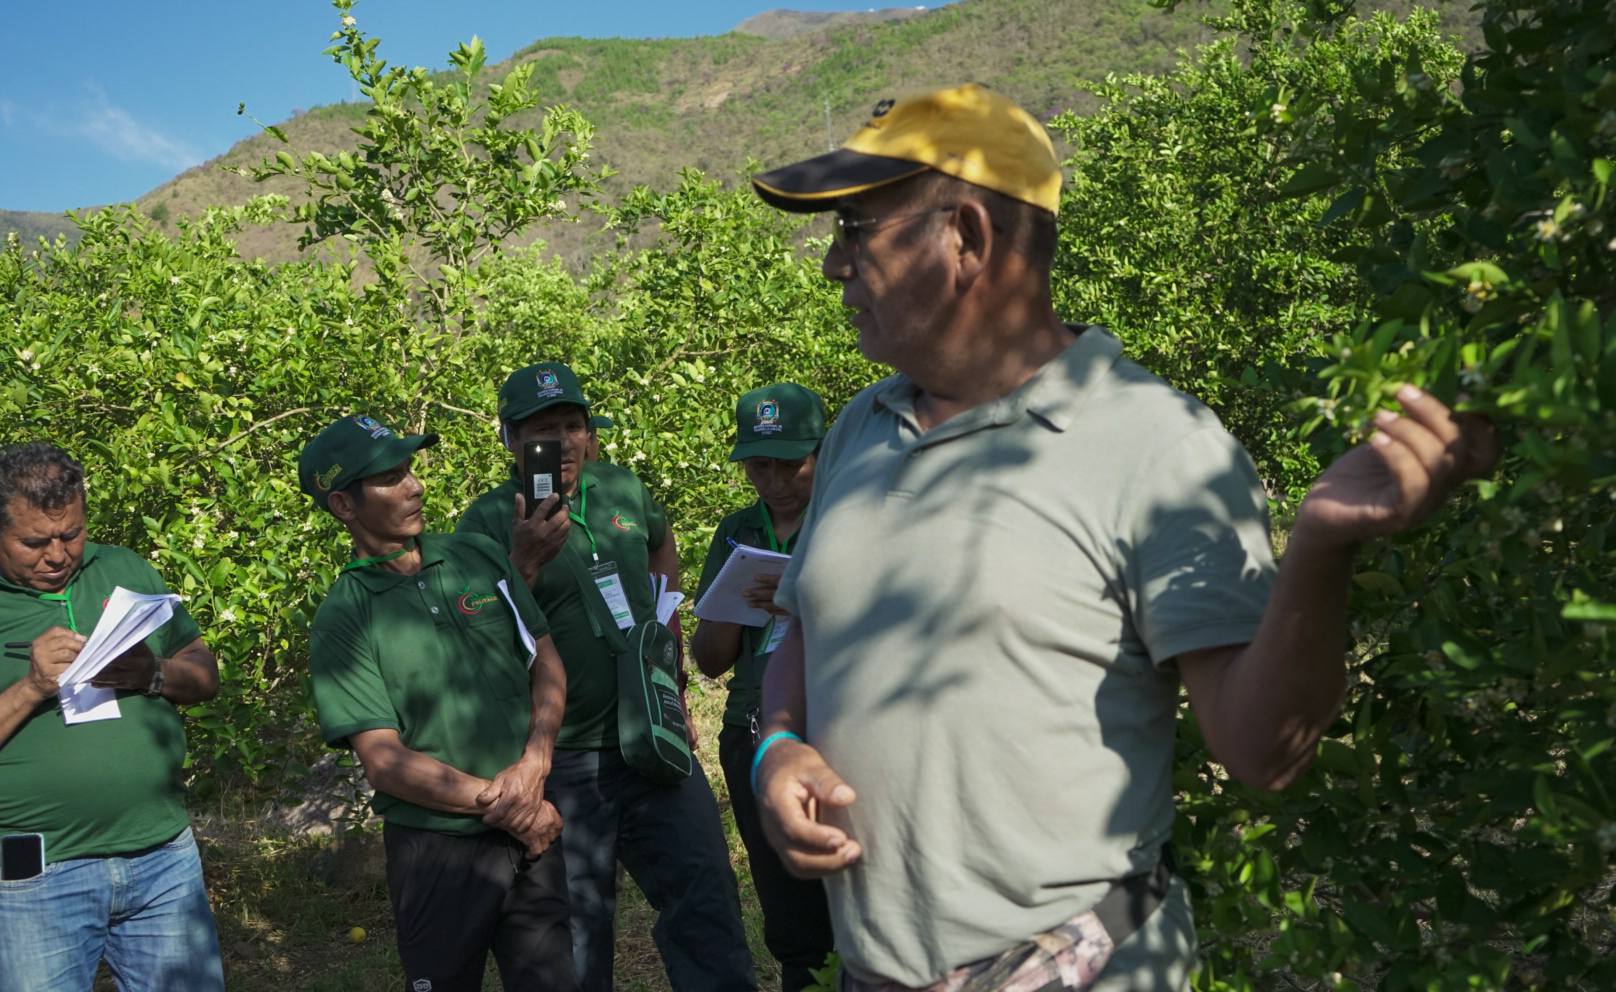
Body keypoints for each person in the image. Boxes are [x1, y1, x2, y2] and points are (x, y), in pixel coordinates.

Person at [746, 84, 1499, 991]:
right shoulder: (860, 428)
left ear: (968, 237)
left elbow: (1268, 752)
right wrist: (776, 743)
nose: (836, 265)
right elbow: (799, 620)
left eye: (856, 230)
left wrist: (1322, 548)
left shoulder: (1157, 445)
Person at [459, 362, 755, 991]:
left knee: (705, 899)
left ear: (591, 434)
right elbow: (476, 637)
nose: (562, 442)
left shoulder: (623, 490)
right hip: (565, 758)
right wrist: (524, 562)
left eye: (573, 425)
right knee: (578, 927)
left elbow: (660, 546)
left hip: (651, 741)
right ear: (509, 439)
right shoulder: (487, 520)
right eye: (542, 430)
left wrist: (668, 670)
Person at [300, 414, 577, 992]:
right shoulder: (344, 618)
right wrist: (511, 805)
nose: (414, 486)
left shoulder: (479, 555)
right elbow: (385, 761)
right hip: (439, 852)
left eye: (410, 469)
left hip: (530, 833)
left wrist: (536, 762)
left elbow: (545, 661)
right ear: (344, 506)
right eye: (390, 478)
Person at [0, 442, 225, 991]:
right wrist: (30, 688)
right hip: (37, 875)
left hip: (162, 855)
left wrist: (152, 672)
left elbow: (204, 673)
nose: (57, 554)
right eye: (34, 541)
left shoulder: (124, 568)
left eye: (71, 534)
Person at [690, 383, 836, 992]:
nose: (773, 480)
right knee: (787, 892)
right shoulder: (737, 530)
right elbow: (708, 661)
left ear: (822, 454)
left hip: (835, 722)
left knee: (853, 881)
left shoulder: (846, 517)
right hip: (754, 729)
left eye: (789, 464)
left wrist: (800, 602)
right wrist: (732, 603)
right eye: (758, 465)